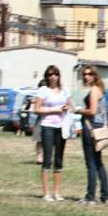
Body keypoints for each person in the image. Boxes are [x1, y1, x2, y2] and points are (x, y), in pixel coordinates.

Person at [34, 65, 73, 202]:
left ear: (58, 76)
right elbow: (37, 109)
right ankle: (46, 193)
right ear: (47, 76)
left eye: (55, 74)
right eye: (50, 74)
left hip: (61, 127)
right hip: (48, 126)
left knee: (59, 159)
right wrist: (53, 110)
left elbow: (70, 106)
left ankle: (57, 192)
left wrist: (67, 108)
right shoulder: (43, 91)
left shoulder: (65, 90)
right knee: (47, 159)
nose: (53, 77)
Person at [75, 66, 108, 205]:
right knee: (98, 163)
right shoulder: (99, 89)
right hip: (98, 128)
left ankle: (90, 196)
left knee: (91, 164)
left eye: (89, 74)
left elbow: (92, 111)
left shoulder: (94, 90)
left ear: (95, 76)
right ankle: (105, 195)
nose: (86, 76)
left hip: (91, 129)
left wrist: (78, 111)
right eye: (84, 74)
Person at [33, 80, 46, 164]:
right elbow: (36, 109)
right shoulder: (38, 97)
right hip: (41, 119)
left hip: (51, 119)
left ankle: (47, 156)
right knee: (39, 140)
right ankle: (39, 156)